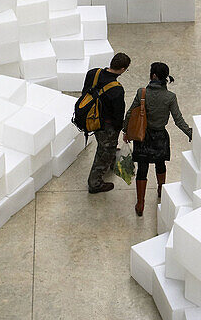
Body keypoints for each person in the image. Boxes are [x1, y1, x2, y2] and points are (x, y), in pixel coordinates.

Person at [123, 63, 192, 217]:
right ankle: (161, 189)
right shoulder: (170, 97)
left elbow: (130, 114)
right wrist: (190, 133)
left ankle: (140, 203)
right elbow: (178, 119)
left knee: (142, 169)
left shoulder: (142, 93)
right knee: (160, 165)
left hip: (143, 137)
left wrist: (125, 131)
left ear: (153, 76)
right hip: (160, 136)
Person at [81, 52, 131, 194]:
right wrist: (119, 129)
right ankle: (95, 183)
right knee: (104, 151)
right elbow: (117, 115)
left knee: (105, 146)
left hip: (90, 119)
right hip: (105, 126)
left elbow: (85, 92)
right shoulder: (117, 89)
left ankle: (110, 157)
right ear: (122, 69)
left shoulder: (93, 73)